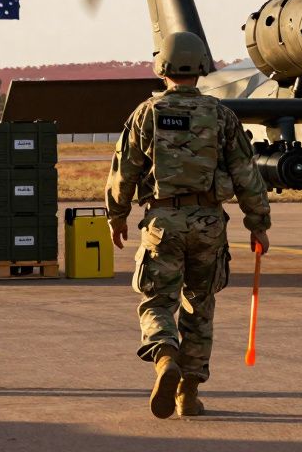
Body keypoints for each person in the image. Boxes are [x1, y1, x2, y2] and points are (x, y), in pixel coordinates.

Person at [105, 31, 272, 419]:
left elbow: (123, 170)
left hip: (162, 220)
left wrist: (116, 216)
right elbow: (247, 172)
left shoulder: (146, 113)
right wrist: (258, 223)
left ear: (161, 67)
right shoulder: (221, 115)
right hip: (209, 223)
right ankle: (188, 395)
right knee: (200, 306)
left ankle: (165, 357)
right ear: (200, 68)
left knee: (156, 300)